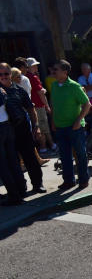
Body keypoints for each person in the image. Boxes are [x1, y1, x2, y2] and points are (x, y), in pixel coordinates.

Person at [1, 63, 45, 194]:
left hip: (22, 129)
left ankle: (38, 184)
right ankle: (20, 188)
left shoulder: (19, 90)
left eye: (6, 74)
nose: (3, 77)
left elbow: (31, 110)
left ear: (10, 74)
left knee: (30, 158)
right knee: (12, 162)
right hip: (6, 131)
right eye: (0, 74)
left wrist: (36, 126)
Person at [50, 59, 91, 190]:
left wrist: (79, 120)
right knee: (64, 155)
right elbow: (53, 105)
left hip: (75, 127)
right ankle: (68, 181)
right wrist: (53, 121)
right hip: (60, 127)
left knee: (80, 154)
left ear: (65, 72)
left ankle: (83, 179)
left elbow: (87, 104)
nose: (53, 72)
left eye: (56, 69)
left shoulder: (74, 86)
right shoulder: (54, 86)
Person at [0, 68, 26, 205]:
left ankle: (14, 195)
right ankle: (21, 190)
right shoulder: (2, 90)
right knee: (13, 161)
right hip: (7, 126)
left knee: (3, 164)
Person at [25, 58, 56, 154]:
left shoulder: (27, 76)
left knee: (40, 126)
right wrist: (47, 105)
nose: (36, 66)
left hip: (32, 106)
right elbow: (40, 93)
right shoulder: (32, 77)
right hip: (38, 105)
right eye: (34, 65)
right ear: (30, 67)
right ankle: (48, 146)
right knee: (43, 126)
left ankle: (48, 145)